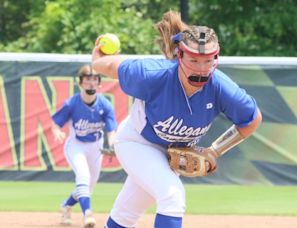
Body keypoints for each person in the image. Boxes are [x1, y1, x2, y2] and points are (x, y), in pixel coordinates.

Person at [91, 10, 262, 228]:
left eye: (208, 61)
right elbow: (111, 66)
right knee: (172, 197)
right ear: (179, 55)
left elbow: (252, 119)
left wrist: (214, 150)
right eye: (194, 60)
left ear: (216, 58)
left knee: (125, 216)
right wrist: (97, 59)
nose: (201, 69)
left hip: (170, 157)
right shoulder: (152, 74)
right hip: (136, 143)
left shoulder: (220, 87)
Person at [51, 64, 118, 228]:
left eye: (95, 79)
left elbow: (111, 130)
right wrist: (56, 131)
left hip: (96, 148)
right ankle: (87, 214)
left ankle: (66, 206)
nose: (91, 83)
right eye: (87, 79)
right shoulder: (71, 103)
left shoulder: (105, 104)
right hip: (76, 146)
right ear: (80, 83)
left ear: (99, 83)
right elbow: (55, 123)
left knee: (89, 186)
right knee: (83, 176)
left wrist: (113, 145)